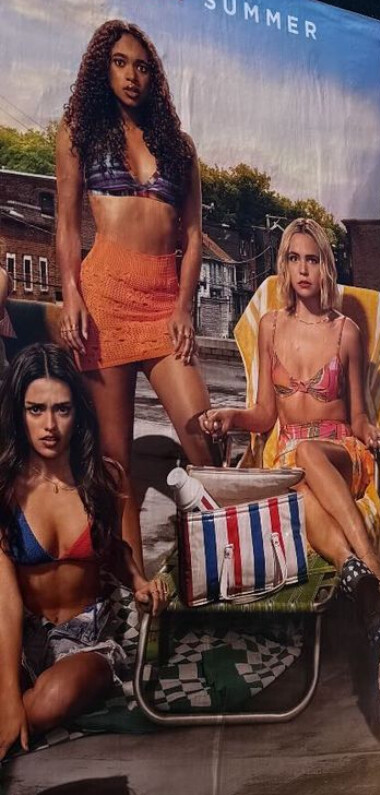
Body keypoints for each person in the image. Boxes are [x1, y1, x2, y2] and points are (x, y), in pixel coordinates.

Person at [56, 18, 217, 551]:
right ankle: (133, 580)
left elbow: (192, 235)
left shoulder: (179, 146)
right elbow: (65, 226)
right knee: (115, 460)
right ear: (103, 70)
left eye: (142, 67)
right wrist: (71, 294)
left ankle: (220, 551)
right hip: (104, 299)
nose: (131, 76)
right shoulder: (79, 133)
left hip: (164, 303)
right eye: (120, 63)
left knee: (203, 434)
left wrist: (184, 307)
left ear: (154, 77)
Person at [199, 218, 380, 598]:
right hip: (290, 460)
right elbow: (265, 414)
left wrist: (369, 431)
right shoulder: (269, 327)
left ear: (326, 266)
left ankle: (374, 566)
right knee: (295, 489)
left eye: (312, 259)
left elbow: (358, 416)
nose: (303, 269)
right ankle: (352, 570)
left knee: (306, 454)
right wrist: (231, 415)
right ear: (284, 265)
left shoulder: (346, 332)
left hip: (339, 454)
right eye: (294, 258)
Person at [0, 344, 167, 753]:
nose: (50, 425)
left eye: (62, 409)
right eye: (36, 409)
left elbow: (114, 549)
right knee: (19, 701)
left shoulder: (103, 479)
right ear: (18, 413)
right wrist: (7, 695)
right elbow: (5, 601)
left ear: (78, 412)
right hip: (19, 635)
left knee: (51, 700)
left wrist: (139, 582)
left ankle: (20, 717)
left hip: (85, 639)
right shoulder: (5, 489)